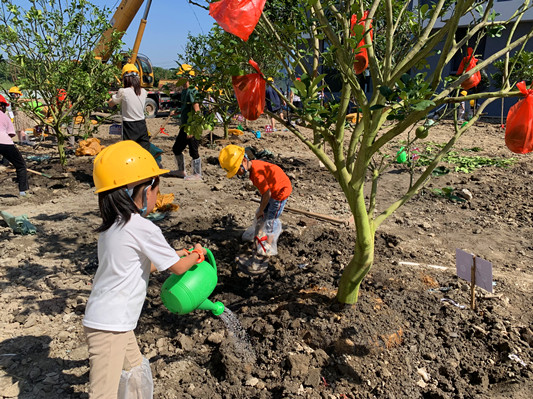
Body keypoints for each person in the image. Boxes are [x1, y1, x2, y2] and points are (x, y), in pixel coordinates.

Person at [83, 140, 207, 398]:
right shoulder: (142, 227)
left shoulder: (113, 227)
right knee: (102, 393)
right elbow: (178, 269)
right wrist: (197, 253)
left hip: (112, 321)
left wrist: (175, 254)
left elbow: (138, 265)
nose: (158, 197)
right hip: (111, 325)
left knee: (135, 368)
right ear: (141, 190)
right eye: (156, 188)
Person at [219, 145, 292, 265]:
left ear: (244, 161)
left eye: (237, 170)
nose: (238, 173)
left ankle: (268, 245)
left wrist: (261, 209)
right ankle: (259, 234)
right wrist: (262, 209)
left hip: (280, 192)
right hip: (272, 190)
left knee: (271, 219)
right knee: (264, 213)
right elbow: (265, 193)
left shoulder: (257, 174)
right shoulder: (254, 167)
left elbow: (267, 194)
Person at [169, 64, 202, 180]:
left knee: (193, 150)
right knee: (177, 148)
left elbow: (196, 109)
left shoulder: (192, 91)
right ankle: (181, 170)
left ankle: (197, 174)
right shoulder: (184, 91)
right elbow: (185, 107)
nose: (179, 79)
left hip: (192, 126)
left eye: (180, 77)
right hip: (184, 126)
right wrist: (177, 112)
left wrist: (193, 128)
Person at [108, 64, 150, 152]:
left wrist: (109, 100)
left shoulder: (123, 91)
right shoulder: (144, 91)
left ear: (125, 79)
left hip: (129, 126)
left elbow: (111, 104)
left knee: (129, 151)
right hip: (142, 125)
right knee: (144, 152)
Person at [0, 94, 29, 197]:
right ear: (2, 106)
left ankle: (5, 161)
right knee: (21, 166)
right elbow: (11, 134)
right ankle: (23, 192)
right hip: (5, 142)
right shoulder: (4, 117)